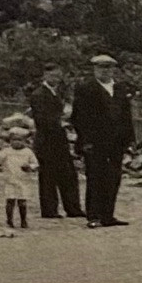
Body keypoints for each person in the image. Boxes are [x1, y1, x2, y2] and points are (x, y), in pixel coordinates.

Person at [70, 54, 136, 228]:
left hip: (117, 142)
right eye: (101, 67)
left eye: (108, 67)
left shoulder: (120, 89)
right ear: (95, 69)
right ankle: (93, 215)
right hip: (95, 142)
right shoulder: (86, 88)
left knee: (113, 177)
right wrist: (85, 141)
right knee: (95, 177)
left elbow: (126, 116)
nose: (105, 71)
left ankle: (108, 215)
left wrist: (129, 140)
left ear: (113, 69)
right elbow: (79, 117)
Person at [28, 62, 84, 219]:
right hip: (46, 140)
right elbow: (41, 119)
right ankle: (49, 210)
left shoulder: (57, 93)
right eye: (53, 76)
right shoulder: (39, 94)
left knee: (68, 174)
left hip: (59, 139)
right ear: (45, 76)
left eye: (58, 76)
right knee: (48, 176)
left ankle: (72, 207)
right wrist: (61, 121)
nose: (56, 79)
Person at [0, 125, 39, 232]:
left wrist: (29, 167)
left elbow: (35, 164)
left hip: (23, 180)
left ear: (24, 141)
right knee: (10, 201)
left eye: (19, 140)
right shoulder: (6, 151)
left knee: (22, 201)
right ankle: (9, 220)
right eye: (14, 140)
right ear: (10, 141)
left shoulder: (28, 152)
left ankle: (23, 220)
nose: (16, 142)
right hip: (10, 179)